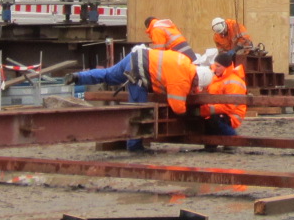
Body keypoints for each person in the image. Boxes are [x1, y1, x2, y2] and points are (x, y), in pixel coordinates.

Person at [75, 45, 213, 150]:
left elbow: (163, 75)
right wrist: (190, 113)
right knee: (139, 111)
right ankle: (134, 146)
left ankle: (79, 77)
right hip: (139, 73)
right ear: (197, 80)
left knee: (108, 75)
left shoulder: (185, 62)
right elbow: (177, 107)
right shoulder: (181, 80)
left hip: (135, 56)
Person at [201, 56, 249, 149]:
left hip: (232, 115)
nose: (215, 68)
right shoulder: (215, 79)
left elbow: (230, 106)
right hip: (217, 111)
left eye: (218, 66)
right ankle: (211, 143)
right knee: (206, 118)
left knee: (214, 118)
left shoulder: (234, 82)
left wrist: (207, 109)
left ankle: (232, 139)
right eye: (214, 65)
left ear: (226, 67)